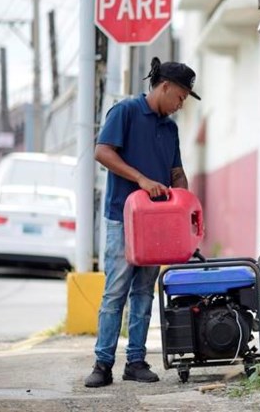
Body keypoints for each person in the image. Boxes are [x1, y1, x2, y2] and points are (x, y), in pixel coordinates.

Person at [84, 57, 201, 388]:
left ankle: (135, 361)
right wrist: (142, 179)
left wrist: (184, 205)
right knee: (115, 292)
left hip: (157, 224)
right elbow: (102, 151)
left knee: (144, 293)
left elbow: (176, 172)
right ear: (165, 87)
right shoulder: (126, 112)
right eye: (179, 97)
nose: (180, 105)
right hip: (123, 218)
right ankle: (102, 364)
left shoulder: (170, 128)